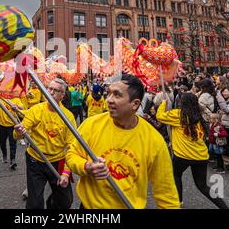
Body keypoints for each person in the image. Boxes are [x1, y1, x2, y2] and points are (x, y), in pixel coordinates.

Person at [66, 74, 179, 209]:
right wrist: (86, 167)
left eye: (117, 95)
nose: (109, 100)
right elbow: (72, 155)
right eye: (108, 94)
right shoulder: (91, 124)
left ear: (135, 104)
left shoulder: (154, 140)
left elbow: (166, 193)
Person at [157, 93, 229, 209]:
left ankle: (179, 202)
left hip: (182, 156)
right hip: (200, 156)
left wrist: (163, 103)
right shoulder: (198, 116)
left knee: (176, 175)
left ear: (182, 103)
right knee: (203, 186)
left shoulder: (177, 114)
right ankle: (224, 207)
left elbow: (160, 116)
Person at [14, 78, 76, 209]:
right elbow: (18, 135)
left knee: (65, 201)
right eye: (50, 89)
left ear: (62, 95)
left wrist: (66, 172)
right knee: (34, 203)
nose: (51, 92)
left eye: (56, 90)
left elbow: (72, 147)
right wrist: (19, 131)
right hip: (35, 160)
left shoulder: (68, 116)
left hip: (57, 161)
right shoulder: (35, 110)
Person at [0, 97, 24, 169]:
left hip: (12, 126)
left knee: (13, 144)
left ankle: (13, 160)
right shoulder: (0, 97)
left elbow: (22, 107)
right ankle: (4, 155)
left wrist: (16, 106)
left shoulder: (16, 99)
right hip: (1, 125)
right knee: (2, 143)